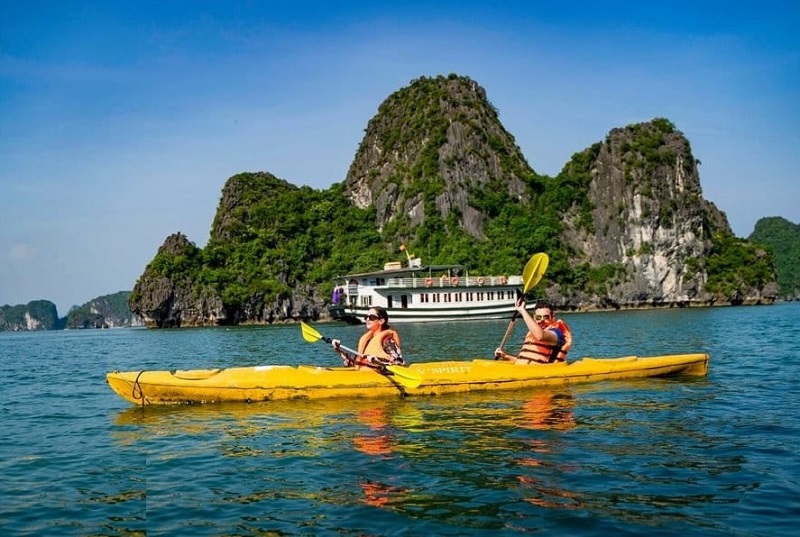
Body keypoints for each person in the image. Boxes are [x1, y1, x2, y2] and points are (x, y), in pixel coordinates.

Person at [495, 299, 572, 364]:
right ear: (534, 318)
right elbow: (524, 361)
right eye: (538, 317)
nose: (542, 320)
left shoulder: (557, 334)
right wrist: (505, 356)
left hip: (542, 372)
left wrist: (522, 310)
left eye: (546, 317)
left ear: (552, 317)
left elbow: (541, 336)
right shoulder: (532, 333)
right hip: (524, 370)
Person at [332, 306, 405, 369]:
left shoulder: (387, 340)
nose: (367, 319)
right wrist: (339, 350)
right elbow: (356, 362)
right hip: (364, 374)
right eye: (366, 317)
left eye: (371, 317)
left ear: (381, 321)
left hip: (379, 376)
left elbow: (398, 363)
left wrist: (377, 361)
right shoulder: (368, 340)